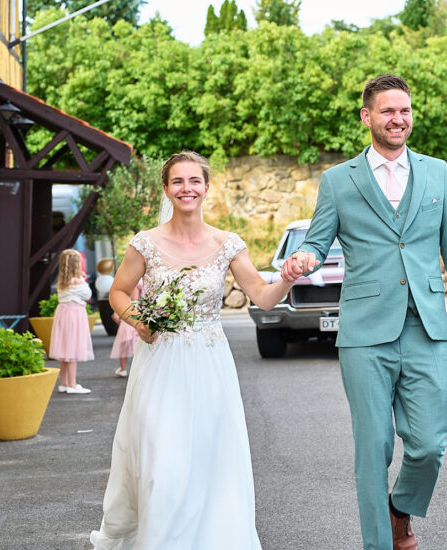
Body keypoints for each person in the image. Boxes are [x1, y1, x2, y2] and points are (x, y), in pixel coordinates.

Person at [282, 74, 447, 550]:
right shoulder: (339, 180)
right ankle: (379, 543)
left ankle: (400, 508)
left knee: (429, 443)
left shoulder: (436, 172)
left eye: (404, 110)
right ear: (367, 117)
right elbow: (317, 240)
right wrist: (304, 257)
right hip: (365, 332)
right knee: (373, 447)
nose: (398, 119)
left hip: (426, 326)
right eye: (388, 111)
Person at [89, 151, 293, 549]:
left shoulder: (227, 244)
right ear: (166, 189)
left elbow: (262, 296)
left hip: (209, 364)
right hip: (159, 364)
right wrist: (139, 320)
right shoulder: (145, 244)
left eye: (194, 181)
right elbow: (118, 293)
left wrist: (285, 279)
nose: (187, 188)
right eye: (178, 181)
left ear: (206, 187)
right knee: (161, 461)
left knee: (210, 460)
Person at [50, 249, 94, 395]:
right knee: (72, 350)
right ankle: (72, 385)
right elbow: (88, 294)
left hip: (63, 314)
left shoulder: (61, 282)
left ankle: (63, 383)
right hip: (74, 316)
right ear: (76, 265)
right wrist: (83, 279)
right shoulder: (77, 281)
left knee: (65, 350)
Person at [109, 279, 143, 377]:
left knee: (123, 344)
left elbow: (134, 298)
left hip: (130, 314)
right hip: (139, 313)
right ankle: (138, 368)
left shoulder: (133, 281)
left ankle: (123, 369)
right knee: (136, 344)